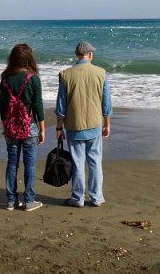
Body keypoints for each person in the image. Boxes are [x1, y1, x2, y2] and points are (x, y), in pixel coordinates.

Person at [55, 41, 112, 207]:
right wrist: (107, 124)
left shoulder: (66, 74)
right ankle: (97, 197)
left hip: (74, 125)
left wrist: (59, 126)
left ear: (77, 55)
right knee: (95, 161)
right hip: (94, 124)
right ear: (90, 55)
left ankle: (78, 198)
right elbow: (106, 103)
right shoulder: (100, 73)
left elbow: (61, 106)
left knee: (78, 162)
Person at [0, 43, 45, 212]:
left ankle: (11, 201)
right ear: (29, 58)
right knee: (30, 164)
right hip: (29, 127)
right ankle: (29, 201)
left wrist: (5, 127)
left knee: (12, 163)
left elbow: (3, 106)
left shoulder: (5, 79)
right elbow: (38, 105)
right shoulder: (33, 78)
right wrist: (42, 128)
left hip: (11, 126)